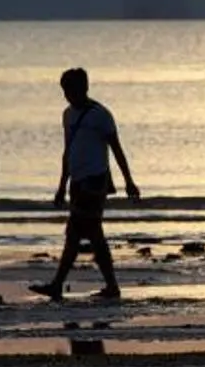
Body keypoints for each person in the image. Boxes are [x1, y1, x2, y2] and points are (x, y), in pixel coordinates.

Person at [35, 67, 140, 300]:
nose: (67, 95)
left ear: (83, 88)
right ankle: (100, 286)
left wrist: (129, 181)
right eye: (64, 91)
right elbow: (68, 151)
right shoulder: (67, 115)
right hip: (77, 181)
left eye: (70, 90)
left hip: (95, 180)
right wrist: (61, 186)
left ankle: (63, 285)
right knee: (86, 234)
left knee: (82, 232)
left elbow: (116, 148)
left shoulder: (100, 115)